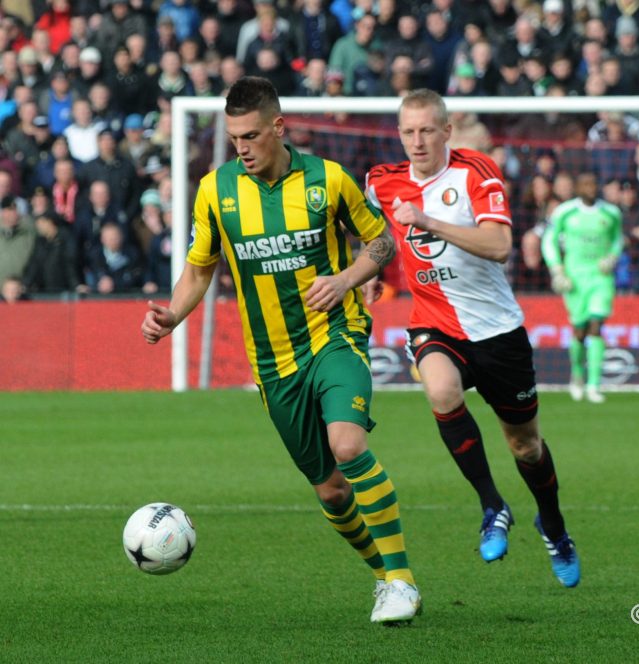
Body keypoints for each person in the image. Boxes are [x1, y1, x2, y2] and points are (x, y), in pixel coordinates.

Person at [140, 76, 421, 624]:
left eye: (250, 135)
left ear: (277, 127)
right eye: (233, 137)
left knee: (346, 444)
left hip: (335, 333)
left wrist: (345, 280)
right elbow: (199, 271)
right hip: (272, 360)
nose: (241, 147)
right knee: (333, 493)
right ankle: (383, 578)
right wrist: (173, 314)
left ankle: (404, 581)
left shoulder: (328, 179)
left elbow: (382, 240)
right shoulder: (215, 190)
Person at [365, 89, 579, 587]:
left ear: (446, 131)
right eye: (407, 132)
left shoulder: (474, 172)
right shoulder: (382, 180)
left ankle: (553, 525)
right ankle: (492, 505)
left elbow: (500, 244)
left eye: (426, 131)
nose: (416, 141)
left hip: (497, 331)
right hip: (433, 322)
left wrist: (429, 222)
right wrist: (376, 268)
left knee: (525, 446)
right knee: (440, 390)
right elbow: (374, 230)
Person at [542, 172, 623, 404]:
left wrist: (612, 257)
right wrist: (557, 269)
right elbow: (549, 240)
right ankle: (577, 375)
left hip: (600, 277)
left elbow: (617, 239)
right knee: (580, 329)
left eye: (593, 183)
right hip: (574, 278)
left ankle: (594, 385)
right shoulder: (565, 212)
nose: (590, 187)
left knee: (596, 325)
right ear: (577, 187)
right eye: (585, 183)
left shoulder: (611, 213)